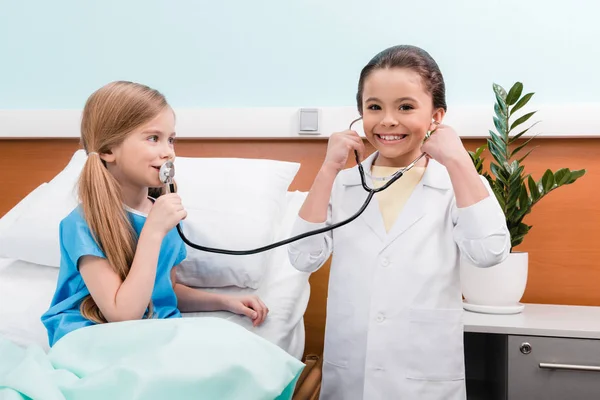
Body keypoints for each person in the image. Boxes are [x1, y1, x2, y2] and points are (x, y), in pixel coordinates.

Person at [288, 45, 510, 399]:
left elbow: (490, 251)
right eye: (374, 107)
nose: (387, 120)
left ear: (437, 116)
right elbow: (302, 257)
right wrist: (328, 168)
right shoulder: (343, 183)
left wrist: (459, 161)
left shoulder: (457, 182)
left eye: (405, 107)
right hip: (352, 373)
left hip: (424, 374)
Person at [42, 81, 269, 347]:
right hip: (95, 337)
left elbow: (164, 290)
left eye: (171, 139)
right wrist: (153, 231)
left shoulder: (160, 213)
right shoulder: (83, 224)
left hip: (153, 329)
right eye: (153, 138)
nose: (168, 151)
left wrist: (225, 301)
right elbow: (123, 315)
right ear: (107, 150)